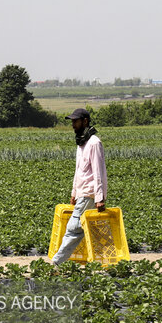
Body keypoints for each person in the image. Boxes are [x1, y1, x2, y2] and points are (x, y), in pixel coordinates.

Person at [52, 108, 107, 266]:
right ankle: (104, 262)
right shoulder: (82, 142)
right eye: (72, 121)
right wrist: (74, 192)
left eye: (75, 121)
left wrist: (99, 197)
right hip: (82, 193)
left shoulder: (94, 143)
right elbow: (78, 170)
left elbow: (98, 171)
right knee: (91, 230)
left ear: (85, 121)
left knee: (73, 229)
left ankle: (56, 262)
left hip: (89, 193)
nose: (73, 125)